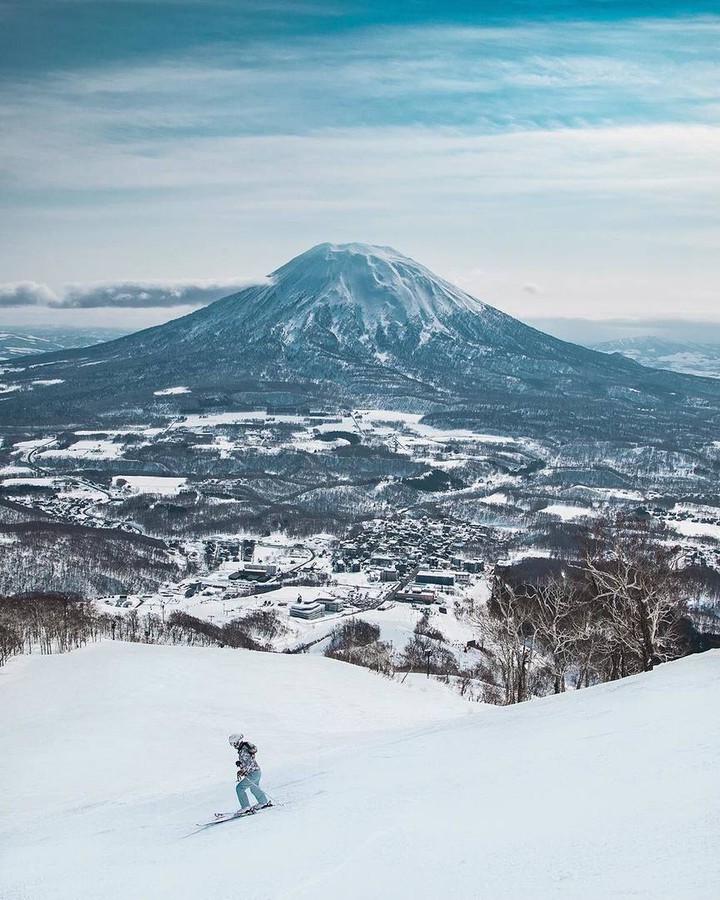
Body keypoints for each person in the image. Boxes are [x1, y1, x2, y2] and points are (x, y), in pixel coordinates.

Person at [228, 733, 272, 814]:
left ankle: (246, 807)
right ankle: (263, 802)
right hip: (256, 771)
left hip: (253, 773)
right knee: (254, 787)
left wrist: (242, 770)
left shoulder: (243, 750)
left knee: (239, 788)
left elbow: (248, 763)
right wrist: (241, 765)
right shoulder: (244, 749)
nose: (233, 746)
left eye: (234, 744)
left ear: (238, 742)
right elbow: (248, 762)